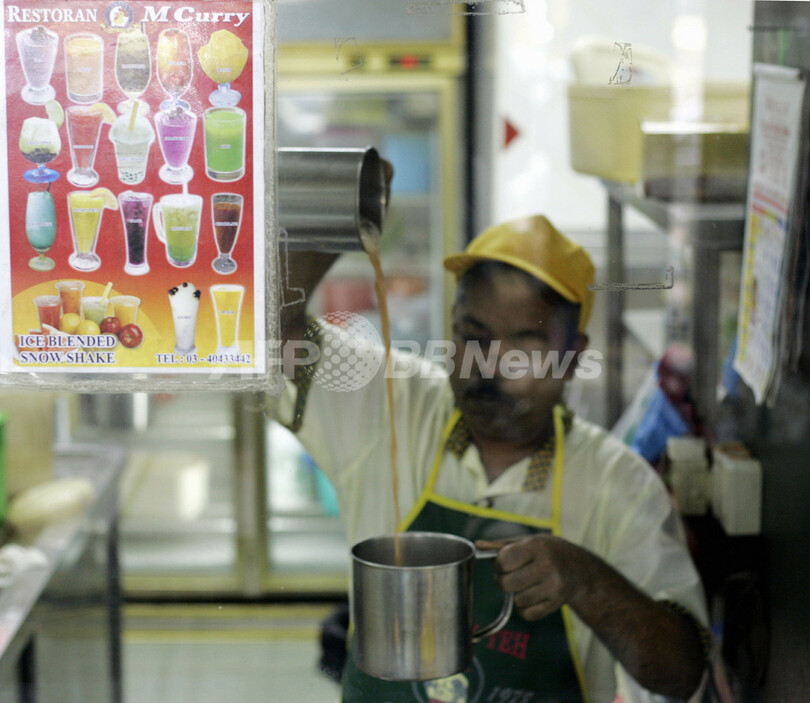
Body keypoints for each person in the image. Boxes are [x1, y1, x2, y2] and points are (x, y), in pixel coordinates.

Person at [271, 214, 710, 703]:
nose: (490, 367)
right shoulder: (390, 406)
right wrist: (344, 210)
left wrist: (588, 582)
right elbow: (268, 329)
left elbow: (683, 674)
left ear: (573, 355)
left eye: (525, 346)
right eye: (472, 336)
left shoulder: (617, 485)